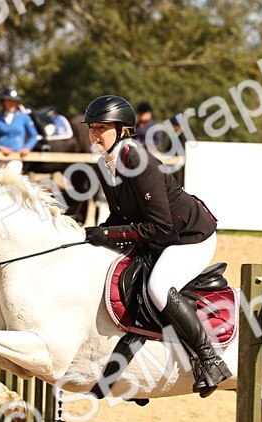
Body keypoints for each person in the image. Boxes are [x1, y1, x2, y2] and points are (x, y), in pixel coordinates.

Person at [82, 94, 230, 397]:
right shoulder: (105, 164)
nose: (95, 134)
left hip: (189, 238)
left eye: (101, 127)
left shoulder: (137, 160)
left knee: (158, 288)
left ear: (123, 130)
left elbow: (160, 228)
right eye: (92, 127)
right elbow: (120, 215)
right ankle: (125, 371)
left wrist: (108, 236)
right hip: (160, 237)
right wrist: (91, 235)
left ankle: (210, 359)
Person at [0, 87, 39, 157]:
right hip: (0, 156)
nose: (12, 104)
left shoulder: (24, 117)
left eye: (14, 101)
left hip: (17, 156)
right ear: (4, 102)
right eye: (9, 101)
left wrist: (27, 148)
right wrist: (0, 147)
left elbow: (34, 135)